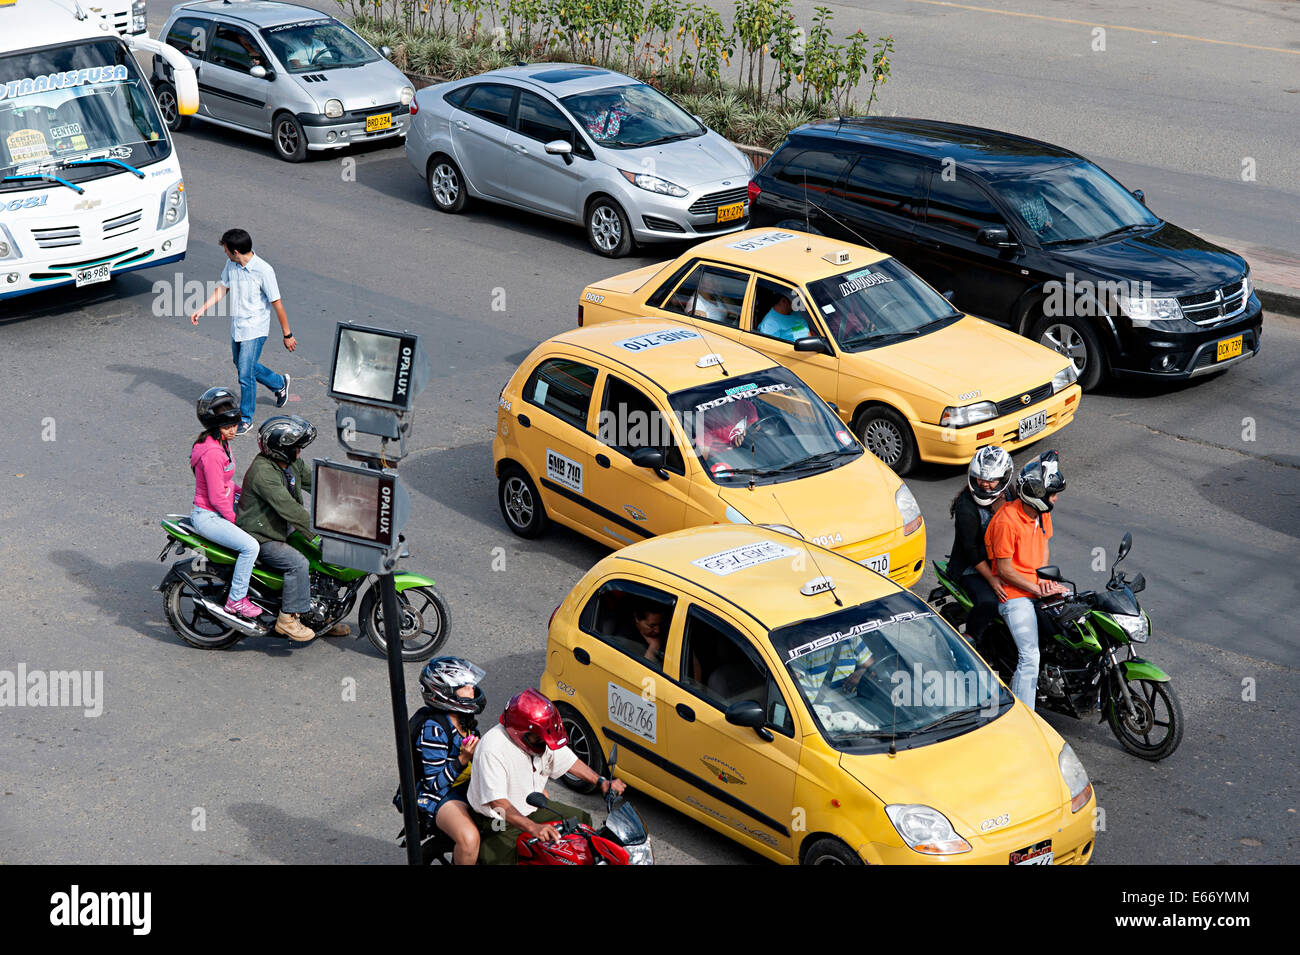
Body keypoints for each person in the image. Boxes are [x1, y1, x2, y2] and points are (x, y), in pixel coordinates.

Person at [467, 688, 626, 866]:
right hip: (500, 821)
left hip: (533, 808)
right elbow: (498, 804)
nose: (545, 744)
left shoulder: (542, 738)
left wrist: (601, 781)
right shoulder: (493, 749)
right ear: (520, 731)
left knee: (582, 822)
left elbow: (568, 760)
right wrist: (533, 827)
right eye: (539, 739)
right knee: (498, 859)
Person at [234, 415, 349, 642]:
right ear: (281, 449)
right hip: (263, 536)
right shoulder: (263, 473)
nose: (299, 451)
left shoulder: (291, 463)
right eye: (296, 447)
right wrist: (317, 536)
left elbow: (316, 482)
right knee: (299, 564)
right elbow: (290, 510)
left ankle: (319, 616)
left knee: (323, 561)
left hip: (283, 528)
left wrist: (348, 496)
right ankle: (287, 620)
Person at [984, 450, 1068, 710]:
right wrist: (1035, 588)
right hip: (1014, 595)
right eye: (1052, 494)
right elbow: (1006, 570)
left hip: (1034, 586)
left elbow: (1044, 544)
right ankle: (1025, 716)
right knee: (1030, 656)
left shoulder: (1042, 514)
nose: (1055, 498)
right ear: (1037, 497)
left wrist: (1043, 580)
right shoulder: (1006, 522)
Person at [190, 228, 294, 435]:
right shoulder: (232, 264)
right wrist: (202, 308)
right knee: (242, 365)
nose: (225, 253)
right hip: (238, 326)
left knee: (245, 375)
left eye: (227, 250)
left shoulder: (264, 270)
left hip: (255, 329)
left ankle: (246, 418)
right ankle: (278, 382)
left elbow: (277, 303)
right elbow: (223, 287)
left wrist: (287, 334)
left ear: (236, 251)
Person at [402, 657, 486, 866]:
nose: (472, 689)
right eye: (465, 686)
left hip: (464, 784)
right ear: (445, 693)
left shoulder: (464, 720)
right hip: (439, 794)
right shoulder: (434, 729)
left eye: (471, 684)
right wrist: (462, 759)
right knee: (469, 839)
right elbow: (434, 783)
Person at [189, 387, 260, 620]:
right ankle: (236, 600)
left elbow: (227, 483)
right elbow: (217, 496)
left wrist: (249, 494)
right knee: (251, 547)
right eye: (228, 426)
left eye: (235, 424)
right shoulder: (212, 452)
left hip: (220, 509)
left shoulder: (221, 444)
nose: (234, 430)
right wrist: (235, 520)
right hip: (209, 516)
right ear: (214, 426)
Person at [947, 446, 1013, 644]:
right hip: (972, 568)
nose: (984, 484)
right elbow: (971, 550)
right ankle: (970, 639)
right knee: (989, 602)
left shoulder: (1010, 495)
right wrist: (993, 580)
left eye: (991, 480)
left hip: (1001, 561)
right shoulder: (965, 506)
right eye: (980, 478)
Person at [620, 601, 668, 665]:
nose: (658, 630)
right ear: (637, 619)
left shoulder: (665, 631)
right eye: (652, 626)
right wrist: (654, 646)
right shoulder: (625, 640)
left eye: (660, 624)